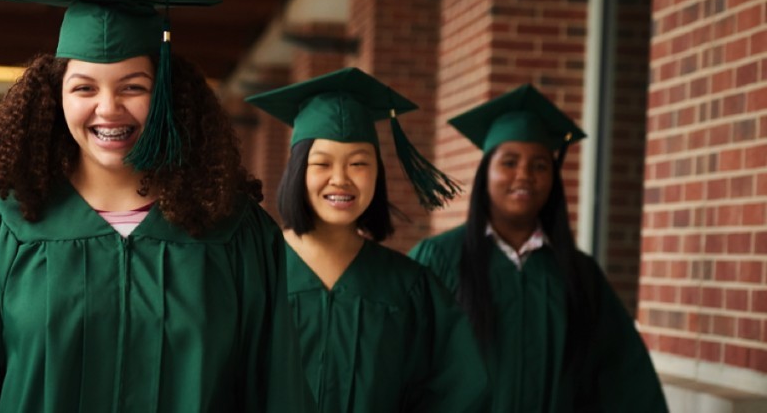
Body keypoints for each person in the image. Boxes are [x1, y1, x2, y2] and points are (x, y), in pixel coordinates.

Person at [0, 0, 312, 412]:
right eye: (84, 88)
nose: (108, 108)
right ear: (53, 98)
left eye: (133, 87)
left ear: (167, 97)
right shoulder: (1, 232)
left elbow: (278, 390)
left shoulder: (236, 234)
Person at [409, 84, 667, 412]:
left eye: (540, 165)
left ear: (553, 179)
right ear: (485, 173)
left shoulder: (579, 274)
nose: (524, 175)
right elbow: (400, 365)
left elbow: (623, 380)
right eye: (509, 162)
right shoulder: (439, 260)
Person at [245, 67, 488, 412]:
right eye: (322, 163)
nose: (340, 179)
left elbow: (455, 392)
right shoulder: (254, 272)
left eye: (358, 163)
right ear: (297, 171)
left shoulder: (410, 288)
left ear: (378, 173)